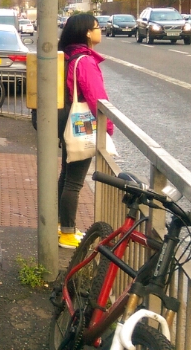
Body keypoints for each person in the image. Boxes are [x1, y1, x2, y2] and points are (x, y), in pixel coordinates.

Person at [57, 13, 114, 250]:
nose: (100, 30)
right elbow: (96, 98)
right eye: (97, 27)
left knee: (67, 175)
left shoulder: (68, 56)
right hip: (83, 121)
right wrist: (108, 127)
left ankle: (59, 225)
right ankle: (67, 232)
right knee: (75, 182)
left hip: (66, 119)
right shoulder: (86, 61)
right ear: (87, 33)